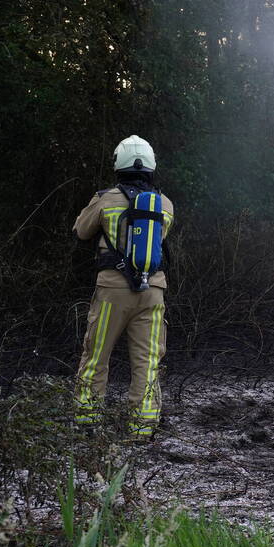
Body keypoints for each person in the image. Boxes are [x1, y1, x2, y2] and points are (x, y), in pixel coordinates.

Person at [72, 135, 175, 440]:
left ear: (118, 164)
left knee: (96, 355)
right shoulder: (165, 204)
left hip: (112, 291)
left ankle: (87, 423)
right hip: (153, 291)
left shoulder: (105, 199)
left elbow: (82, 231)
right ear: (151, 165)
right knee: (147, 361)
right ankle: (142, 428)